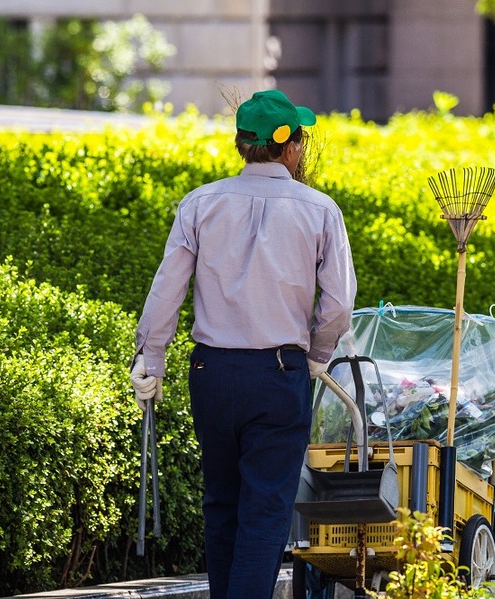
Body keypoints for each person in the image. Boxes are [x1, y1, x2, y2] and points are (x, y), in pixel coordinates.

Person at [129, 89, 356, 599]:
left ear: (240, 144)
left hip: (212, 373)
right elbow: (339, 303)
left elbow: (166, 289)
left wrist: (153, 358)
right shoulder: (321, 210)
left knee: (222, 503)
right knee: (265, 510)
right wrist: (319, 355)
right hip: (280, 374)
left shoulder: (200, 203)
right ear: (291, 147)